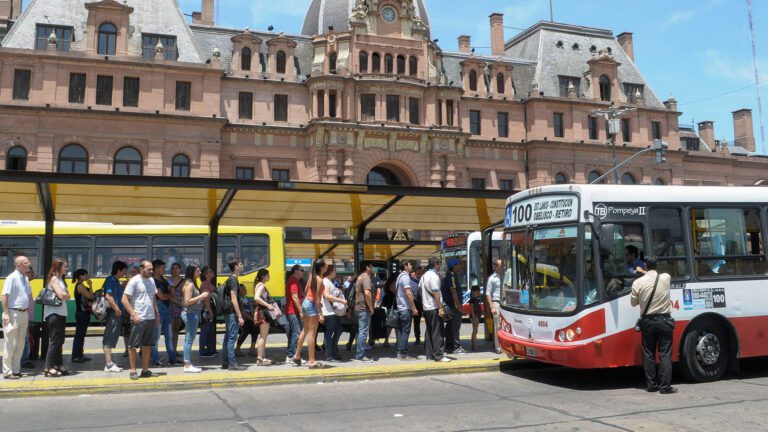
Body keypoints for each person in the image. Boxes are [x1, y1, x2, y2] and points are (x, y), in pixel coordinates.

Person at [630, 256, 676, 394]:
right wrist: (646, 272)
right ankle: (665, 386)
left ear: (645, 265)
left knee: (648, 353)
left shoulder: (637, 283)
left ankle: (651, 385)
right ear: (657, 265)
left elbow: (633, 303)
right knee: (665, 354)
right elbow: (657, 275)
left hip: (648, 322)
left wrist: (641, 272)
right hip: (664, 321)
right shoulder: (666, 278)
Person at [122, 260, 159, 380]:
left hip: (150, 318)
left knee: (147, 345)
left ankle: (145, 370)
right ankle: (133, 370)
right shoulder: (134, 281)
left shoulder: (152, 280)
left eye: (152, 269)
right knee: (133, 345)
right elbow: (124, 299)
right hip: (138, 319)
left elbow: (153, 298)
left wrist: (156, 315)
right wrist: (133, 314)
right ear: (141, 269)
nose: (151, 271)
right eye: (149, 269)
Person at [291, 259, 326, 369]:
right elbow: (317, 298)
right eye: (325, 265)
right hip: (312, 304)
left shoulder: (312, 276)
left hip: (306, 302)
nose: (327, 267)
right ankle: (311, 361)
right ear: (321, 267)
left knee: (305, 331)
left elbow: (306, 290)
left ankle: (297, 356)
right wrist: (320, 313)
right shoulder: (319, 279)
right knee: (312, 334)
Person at [2, 256, 33, 379]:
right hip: (13, 313)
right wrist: (5, 313)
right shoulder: (12, 278)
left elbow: (28, 294)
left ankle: (16, 369)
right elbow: (4, 295)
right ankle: (7, 371)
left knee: (20, 343)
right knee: (11, 343)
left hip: (23, 313)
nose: (29, 264)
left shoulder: (25, 278)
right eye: (26, 263)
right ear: (19, 265)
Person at [43, 258, 71, 377]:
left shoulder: (61, 280)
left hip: (61, 313)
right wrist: (65, 295)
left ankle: (59, 365)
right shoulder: (54, 279)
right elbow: (61, 295)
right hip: (53, 314)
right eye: (65, 266)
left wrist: (66, 295)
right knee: (54, 341)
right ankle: (48, 367)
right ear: (58, 267)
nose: (67, 268)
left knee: (60, 340)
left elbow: (67, 295)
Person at [180, 265, 209, 373]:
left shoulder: (190, 283)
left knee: (189, 339)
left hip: (191, 314)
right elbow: (187, 301)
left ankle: (187, 363)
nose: (200, 272)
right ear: (192, 272)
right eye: (198, 270)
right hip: (191, 314)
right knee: (189, 340)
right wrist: (201, 296)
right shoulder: (190, 284)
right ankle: (187, 365)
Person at [422, 257, 450, 362]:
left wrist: (425, 300)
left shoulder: (424, 276)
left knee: (429, 331)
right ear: (436, 264)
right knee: (438, 332)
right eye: (439, 264)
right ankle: (439, 355)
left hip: (426, 307)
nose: (440, 266)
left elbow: (420, 290)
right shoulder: (434, 276)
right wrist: (440, 308)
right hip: (434, 307)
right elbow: (436, 293)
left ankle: (429, 355)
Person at [102, 260, 128, 373]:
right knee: (109, 336)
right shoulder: (111, 280)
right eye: (124, 271)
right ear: (119, 270)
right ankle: (108, 364)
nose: (124, 273)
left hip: (117, 314)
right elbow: (108, 295)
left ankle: (110, 362)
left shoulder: (116, 281)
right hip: (113, 313)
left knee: (113, 336)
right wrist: (117, 309)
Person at [151, 259, 177, 367]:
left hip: (166, 310)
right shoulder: (152, 281)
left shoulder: (165, 280)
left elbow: (172, 293)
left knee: (169, 336)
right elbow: (161, 296)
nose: (164, 270)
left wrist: (171, 286)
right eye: (162, 268)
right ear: (156, 269)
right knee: (156, 337)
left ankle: (172, 359)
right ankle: (156, 359)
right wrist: (169, 296)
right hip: (158, 310)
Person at [221, 258, 246, 371]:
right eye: (241, 264)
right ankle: (232, 363)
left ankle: (225, 362)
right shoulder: (233, 280)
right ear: (236, 266)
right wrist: (240, 316)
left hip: (229, 312)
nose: (242, 265)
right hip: (232, 313)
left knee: (227, 338)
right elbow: (234, 299)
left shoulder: (229, 279)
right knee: (231, 338)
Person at [321, 264, 346, 362]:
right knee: (329, 333)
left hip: (333, 311)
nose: (336, 273)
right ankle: (329, 355)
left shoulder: (330, 282)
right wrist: (341, 301)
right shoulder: (326, 282)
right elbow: (327, 296)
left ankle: (334, 352)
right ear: (330, 272)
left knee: (338, 330)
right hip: (329, 312)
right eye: (335, 271)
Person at [252, 269, 277, 366]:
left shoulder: (258, 285)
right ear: (263, 276)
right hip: (263, 312)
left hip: (260, 312)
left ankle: (262, 356)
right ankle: (260, 358)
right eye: (268, 275)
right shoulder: (261, 286)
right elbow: (256, 298)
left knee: (263, 335)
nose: (269, 276)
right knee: (263, 336)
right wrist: (268, 305)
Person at [394, 261, 418, 360]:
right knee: (405, 331)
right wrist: (413, 307)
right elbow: (408, 293)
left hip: (400, 308)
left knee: (401, 331)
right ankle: (402, 353)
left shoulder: (399, 277)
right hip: (405, 308)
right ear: (405, 266)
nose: (412, 266)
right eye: (410, 264)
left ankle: (400, 351)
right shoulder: (405, 277)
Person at [442, 259, 466, 354]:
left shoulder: (452, 275)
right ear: (455, 265)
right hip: (453, 306)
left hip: (451, 306)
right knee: (455, 326)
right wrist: (458, 305)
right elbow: (453, 291)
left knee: (450, 327)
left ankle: (449, 346)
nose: (460, 266)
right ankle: (456, 346)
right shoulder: (451, 276)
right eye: (459, 264)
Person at [71, 268, 94, 363]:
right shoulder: (80, 286)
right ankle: (76, 356)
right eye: (86, 275)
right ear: (81, 276)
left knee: (81, 335)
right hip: (82, 313)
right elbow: (90, 296)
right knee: (79, 335)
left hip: (84, 313)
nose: (87, 276)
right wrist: (90, 285)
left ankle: (80, 354)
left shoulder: (81, 286)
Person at [354, 262, 375, 362]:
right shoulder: (366, 277)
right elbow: (367, 292)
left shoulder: (359, 277)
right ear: (367, 267)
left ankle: (359, 353)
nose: (372, 268)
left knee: (361, 331)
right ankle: (360, 355)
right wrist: (371, 307)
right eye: (371, 267)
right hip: (364, 308)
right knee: (363, 332)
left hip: (359, 308)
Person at [284, 264, 304, 363]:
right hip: (293, 311)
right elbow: (295, 297)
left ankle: (290, 355)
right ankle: (294, 355)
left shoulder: (294, 281)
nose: (303, 272)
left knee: (293, 334)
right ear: (296, 271)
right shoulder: (293, 281)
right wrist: (301, 311)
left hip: (292, 311)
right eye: (302, 270)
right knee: (297, 334)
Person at [485, 259, 503, 354]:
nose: (502, 267)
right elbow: (488, 293)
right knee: (498, 326)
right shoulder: (492, 278)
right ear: (496, 266)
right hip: (497, 303)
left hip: (506, 304)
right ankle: (498, 347)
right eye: (500, 265)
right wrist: (491, 306)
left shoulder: (506, 275)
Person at [198, 266, 217, 358]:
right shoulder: (205, 285)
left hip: (207, 310)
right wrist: (210, 311)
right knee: (205, 331)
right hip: (206, 311)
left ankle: (209, 350)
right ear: (206, 275)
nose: (212, 272)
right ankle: (203, 351)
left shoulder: (208, 283)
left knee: (209, 331)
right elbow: (206, 300)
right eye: (210, 271)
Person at [168, 262, 184, 363]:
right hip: (171, 306)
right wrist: (177, 302)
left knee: (176, 330)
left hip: (179, 307)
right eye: (173, 268)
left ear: (180, 269)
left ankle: (175, 349)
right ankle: (171, 350)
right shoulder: (168, 281)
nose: (175, 270)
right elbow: (169, 295)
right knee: (171, 330)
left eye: (177, 268)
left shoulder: (183, 281)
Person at [235, 283, 257, 357]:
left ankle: (252, 348)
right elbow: (242, 312)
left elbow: (251, 309)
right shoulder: (239, 299)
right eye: (243, 289)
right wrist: (252, 319)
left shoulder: (246, 299)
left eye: (245, 288)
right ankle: (237, 349)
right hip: (243, 319)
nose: (245, 290)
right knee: (245, 330)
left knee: (255, 328)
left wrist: (254, 317)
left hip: (249, 319)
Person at [411, 266, 424, 345]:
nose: (419, 274)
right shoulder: (412, 282)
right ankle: (417, 337)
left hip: (425, 304)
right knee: (416, 322)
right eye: (418, 273)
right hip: (416, 303)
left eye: (421, 273)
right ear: (415, 274)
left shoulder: (424, 280)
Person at [469, 286, 482, 351]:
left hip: (477, 316)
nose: (478, 294)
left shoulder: (477, 299)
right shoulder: (472, 300)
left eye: (478, 293)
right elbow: (472, 310)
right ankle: (475, 346)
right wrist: (474, 318)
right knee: (475, 331)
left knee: (475, 331)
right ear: (473, 292)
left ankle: (473, 345)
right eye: (477, 293)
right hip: (474, 316)